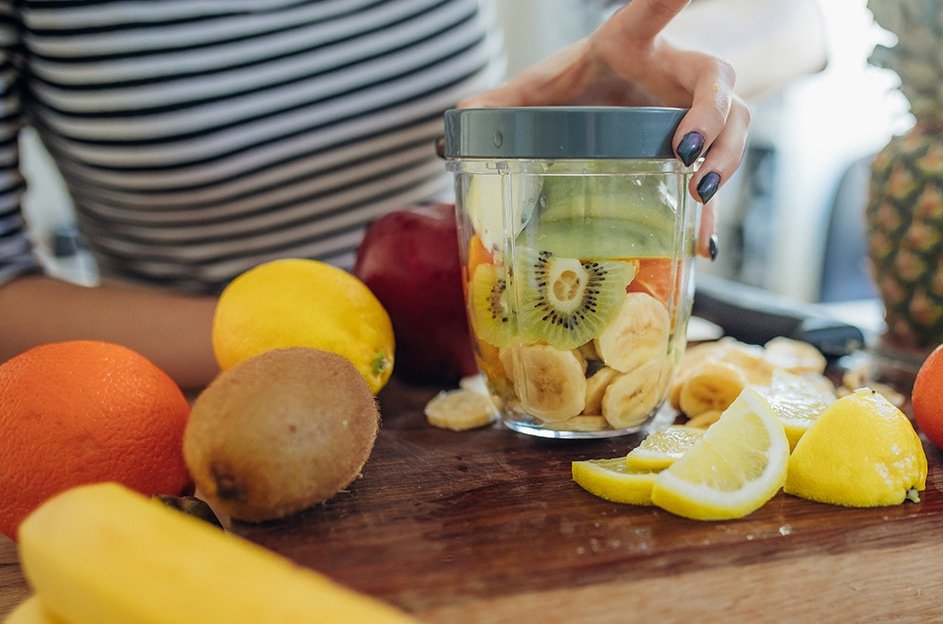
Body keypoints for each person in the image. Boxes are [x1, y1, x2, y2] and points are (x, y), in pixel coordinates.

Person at [0, 0, 827, 389]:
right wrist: (346, 336)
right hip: (202, 393)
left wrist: (647, 91)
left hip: (489, 361)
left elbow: (793, 22)